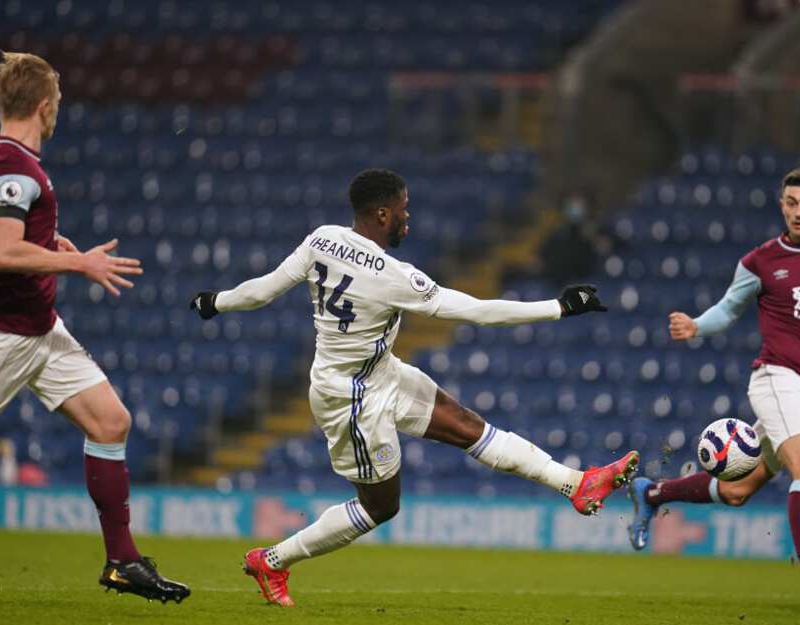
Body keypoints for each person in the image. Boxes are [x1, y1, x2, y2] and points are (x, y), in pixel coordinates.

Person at [190, 168, 640, 607]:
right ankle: (271, 560)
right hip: (351, 400)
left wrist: (215, 302)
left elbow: (264, 290)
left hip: (380, 373)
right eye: (404, 210)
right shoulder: (392, 276)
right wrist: (558, 307)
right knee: (380, 507)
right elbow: (477, 311)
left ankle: (577, 484)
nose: (410, 218)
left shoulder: (320, 240)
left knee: (469, 427)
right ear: (382, 214)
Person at [0, 52, 189, 603]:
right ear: (43, 106)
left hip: (41, 331)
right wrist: (78, 262)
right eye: (56, 103)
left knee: (110, 422)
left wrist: (37, 247)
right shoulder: (14, 168)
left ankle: (122, 561)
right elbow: (4, 253)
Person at [625, 167, 800, 612]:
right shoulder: (760, 261)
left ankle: (651, 492)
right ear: (781, 206)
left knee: (737, 490)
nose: (799, 212)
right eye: (791, 203)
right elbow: (728, 310)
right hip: (779, 378)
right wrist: (696, 326)